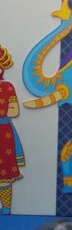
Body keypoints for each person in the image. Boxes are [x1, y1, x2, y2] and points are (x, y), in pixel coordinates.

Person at [0, 47, 24, 215]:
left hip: (3, 132)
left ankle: (6, 207)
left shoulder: (7, 87)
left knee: (4, 173)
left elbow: (14, 111)